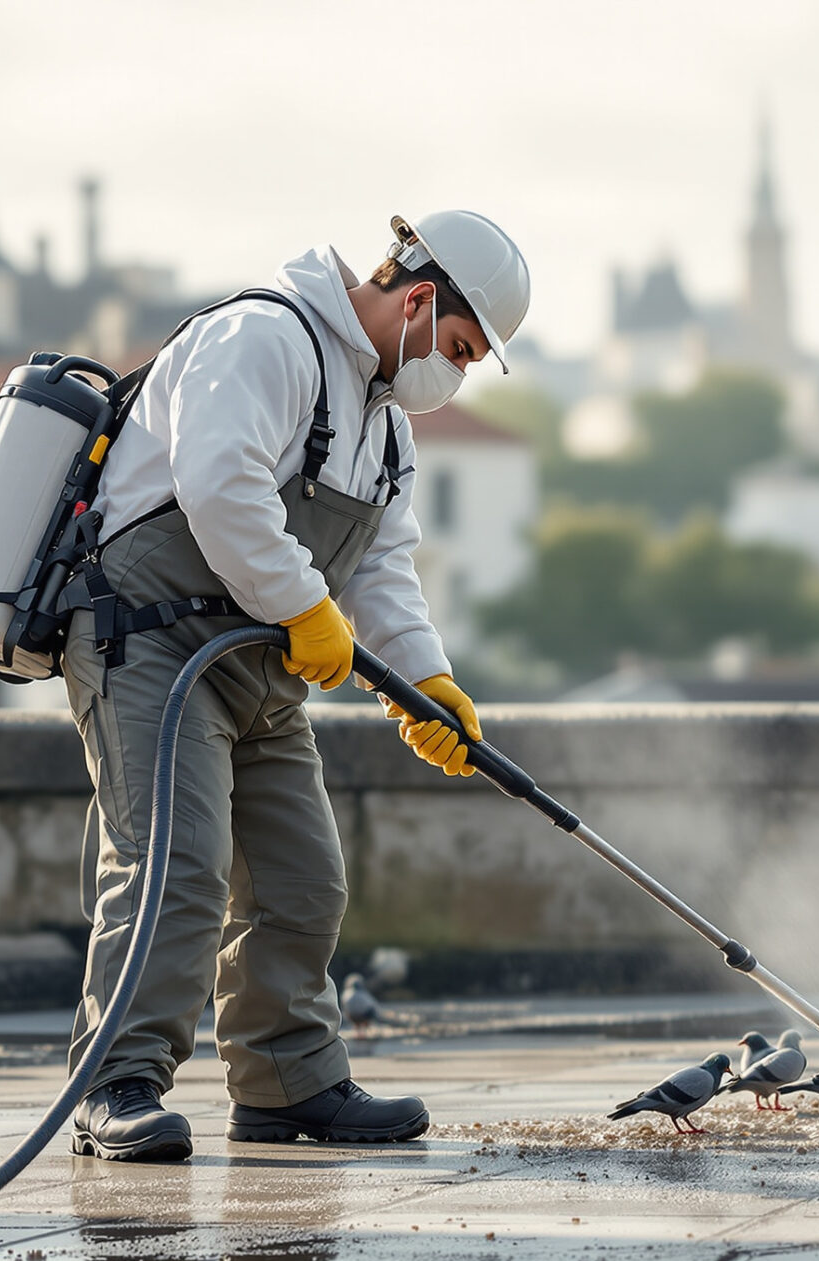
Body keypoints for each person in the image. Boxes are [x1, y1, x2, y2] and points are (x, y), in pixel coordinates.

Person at [64, 212, 529, 1160]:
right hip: (149, 642)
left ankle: (288, 1085)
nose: (457, 374)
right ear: (418, 299)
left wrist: (424, 678)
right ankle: (115, 1083)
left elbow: (384, 564)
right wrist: (303, 604)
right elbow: (218, 483)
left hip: (259, 661)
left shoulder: (384, 425)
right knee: (175, 867)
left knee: (304, 879)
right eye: (459, 349)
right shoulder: (267, 335)